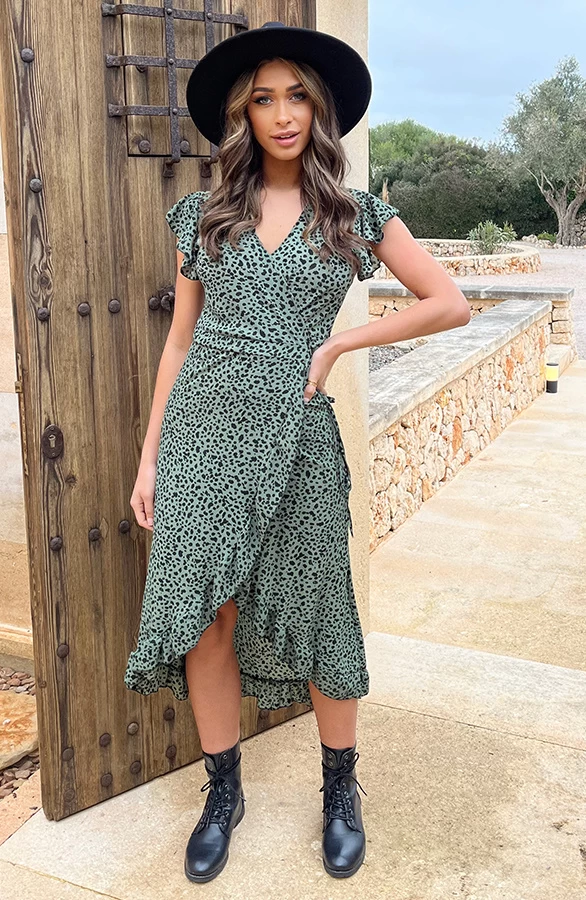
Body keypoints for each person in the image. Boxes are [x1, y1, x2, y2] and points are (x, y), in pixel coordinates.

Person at [124, 21, 470, 884]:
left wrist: (340, 344)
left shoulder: (353, 215)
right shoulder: (204, 216)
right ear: (244, 115)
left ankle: (341, 789)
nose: (282, 115)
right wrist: (150, 457)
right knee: (207, 616)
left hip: (299, 437)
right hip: (202, 435)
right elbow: (179, 343)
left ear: (319, 110)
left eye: (297, 97)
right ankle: (222, 792)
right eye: (264, 99)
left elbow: (449, 302)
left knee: (320, 611)